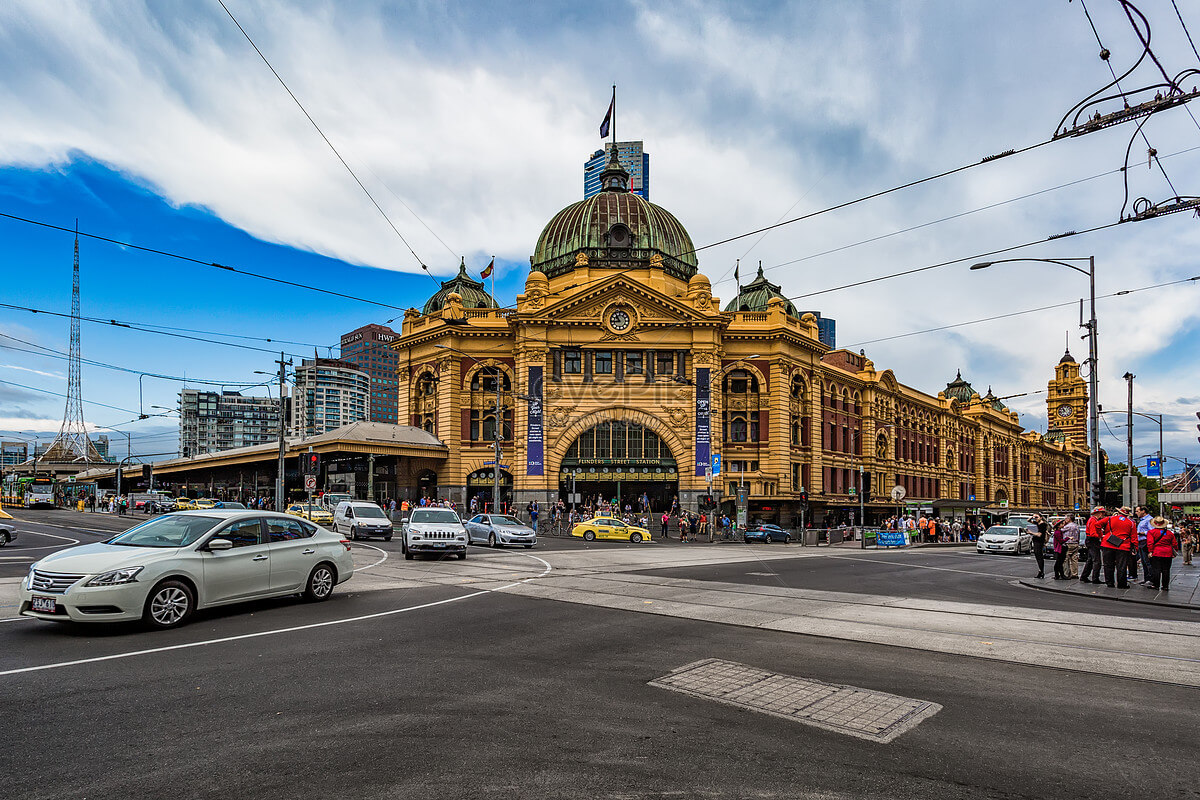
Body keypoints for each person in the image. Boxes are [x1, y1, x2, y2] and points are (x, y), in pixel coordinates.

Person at [1101, 506, 1137, 589]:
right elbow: (1134, 537)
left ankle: (1109, 583)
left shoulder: (1110, 518)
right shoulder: (1131, 523)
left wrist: (1104, 534)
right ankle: (1121, 584)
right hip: (1123, 546)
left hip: (1108, 543)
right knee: (1122, 566)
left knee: (1108, 564)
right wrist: (1135, 548)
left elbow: (1097, 525)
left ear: (1119, 512)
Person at [1146, 516, 1178, 591]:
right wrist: (1175, 551)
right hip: (1167, 553)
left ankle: (1156, 585)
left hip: (1156, 552)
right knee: (1166, 570)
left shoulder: (1151, 532)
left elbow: (1150, 543)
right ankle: (1165, 586)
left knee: (1156, 569)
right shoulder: (1169, 533)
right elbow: (1174, 543)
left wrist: (1150, 551)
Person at [1079, 507, 1107, 583]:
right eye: (1103, 513)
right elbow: (1093, 533)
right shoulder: (1093, 521)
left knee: (1090, 560)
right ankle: (1095, 578)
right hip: (1093, 541)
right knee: (1097, 561)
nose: (1103, 515)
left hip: (1091, 541)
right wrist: (1101, 536)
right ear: (1099, 513)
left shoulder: (1092, 520)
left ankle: (1084, 576)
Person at [1134, 506, 1155, 587]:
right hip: (1141, 542)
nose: (1136, 513)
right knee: (1143, 561)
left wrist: (1142, 533)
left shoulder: (1149, 520)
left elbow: (1152, 531)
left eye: (1137, 511)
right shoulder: (1142, 520)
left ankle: (1151, 579)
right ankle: (1146, 579)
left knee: (1147, 562)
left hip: (1145, 542)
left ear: (1143, 511)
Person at [1027, 514, 1047, 578]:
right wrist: (1032, 517)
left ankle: (1041, 572)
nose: (1035, 518)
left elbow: (1039, 535)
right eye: (1035, 517)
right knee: (1038, 556)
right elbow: (1028, 520)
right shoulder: (1037, 523)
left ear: (1041, 517)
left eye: (1037, 517)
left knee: (1039, 557)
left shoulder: (1042, 525)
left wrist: (1031, 532)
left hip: (1039, 541)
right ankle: (1040, 571)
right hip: (1036, 541)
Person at [1061, 514, 1080, 578]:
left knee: (1065, 558)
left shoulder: (1067, 526)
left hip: (1068, 543)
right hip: (1075, 543)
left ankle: (1066, 574)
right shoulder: (1076, 526)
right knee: (1074, 559)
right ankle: (1074, 573)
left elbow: (1059, 530)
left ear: (1069, 519)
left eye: (1065, 518)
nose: (1065, 520)